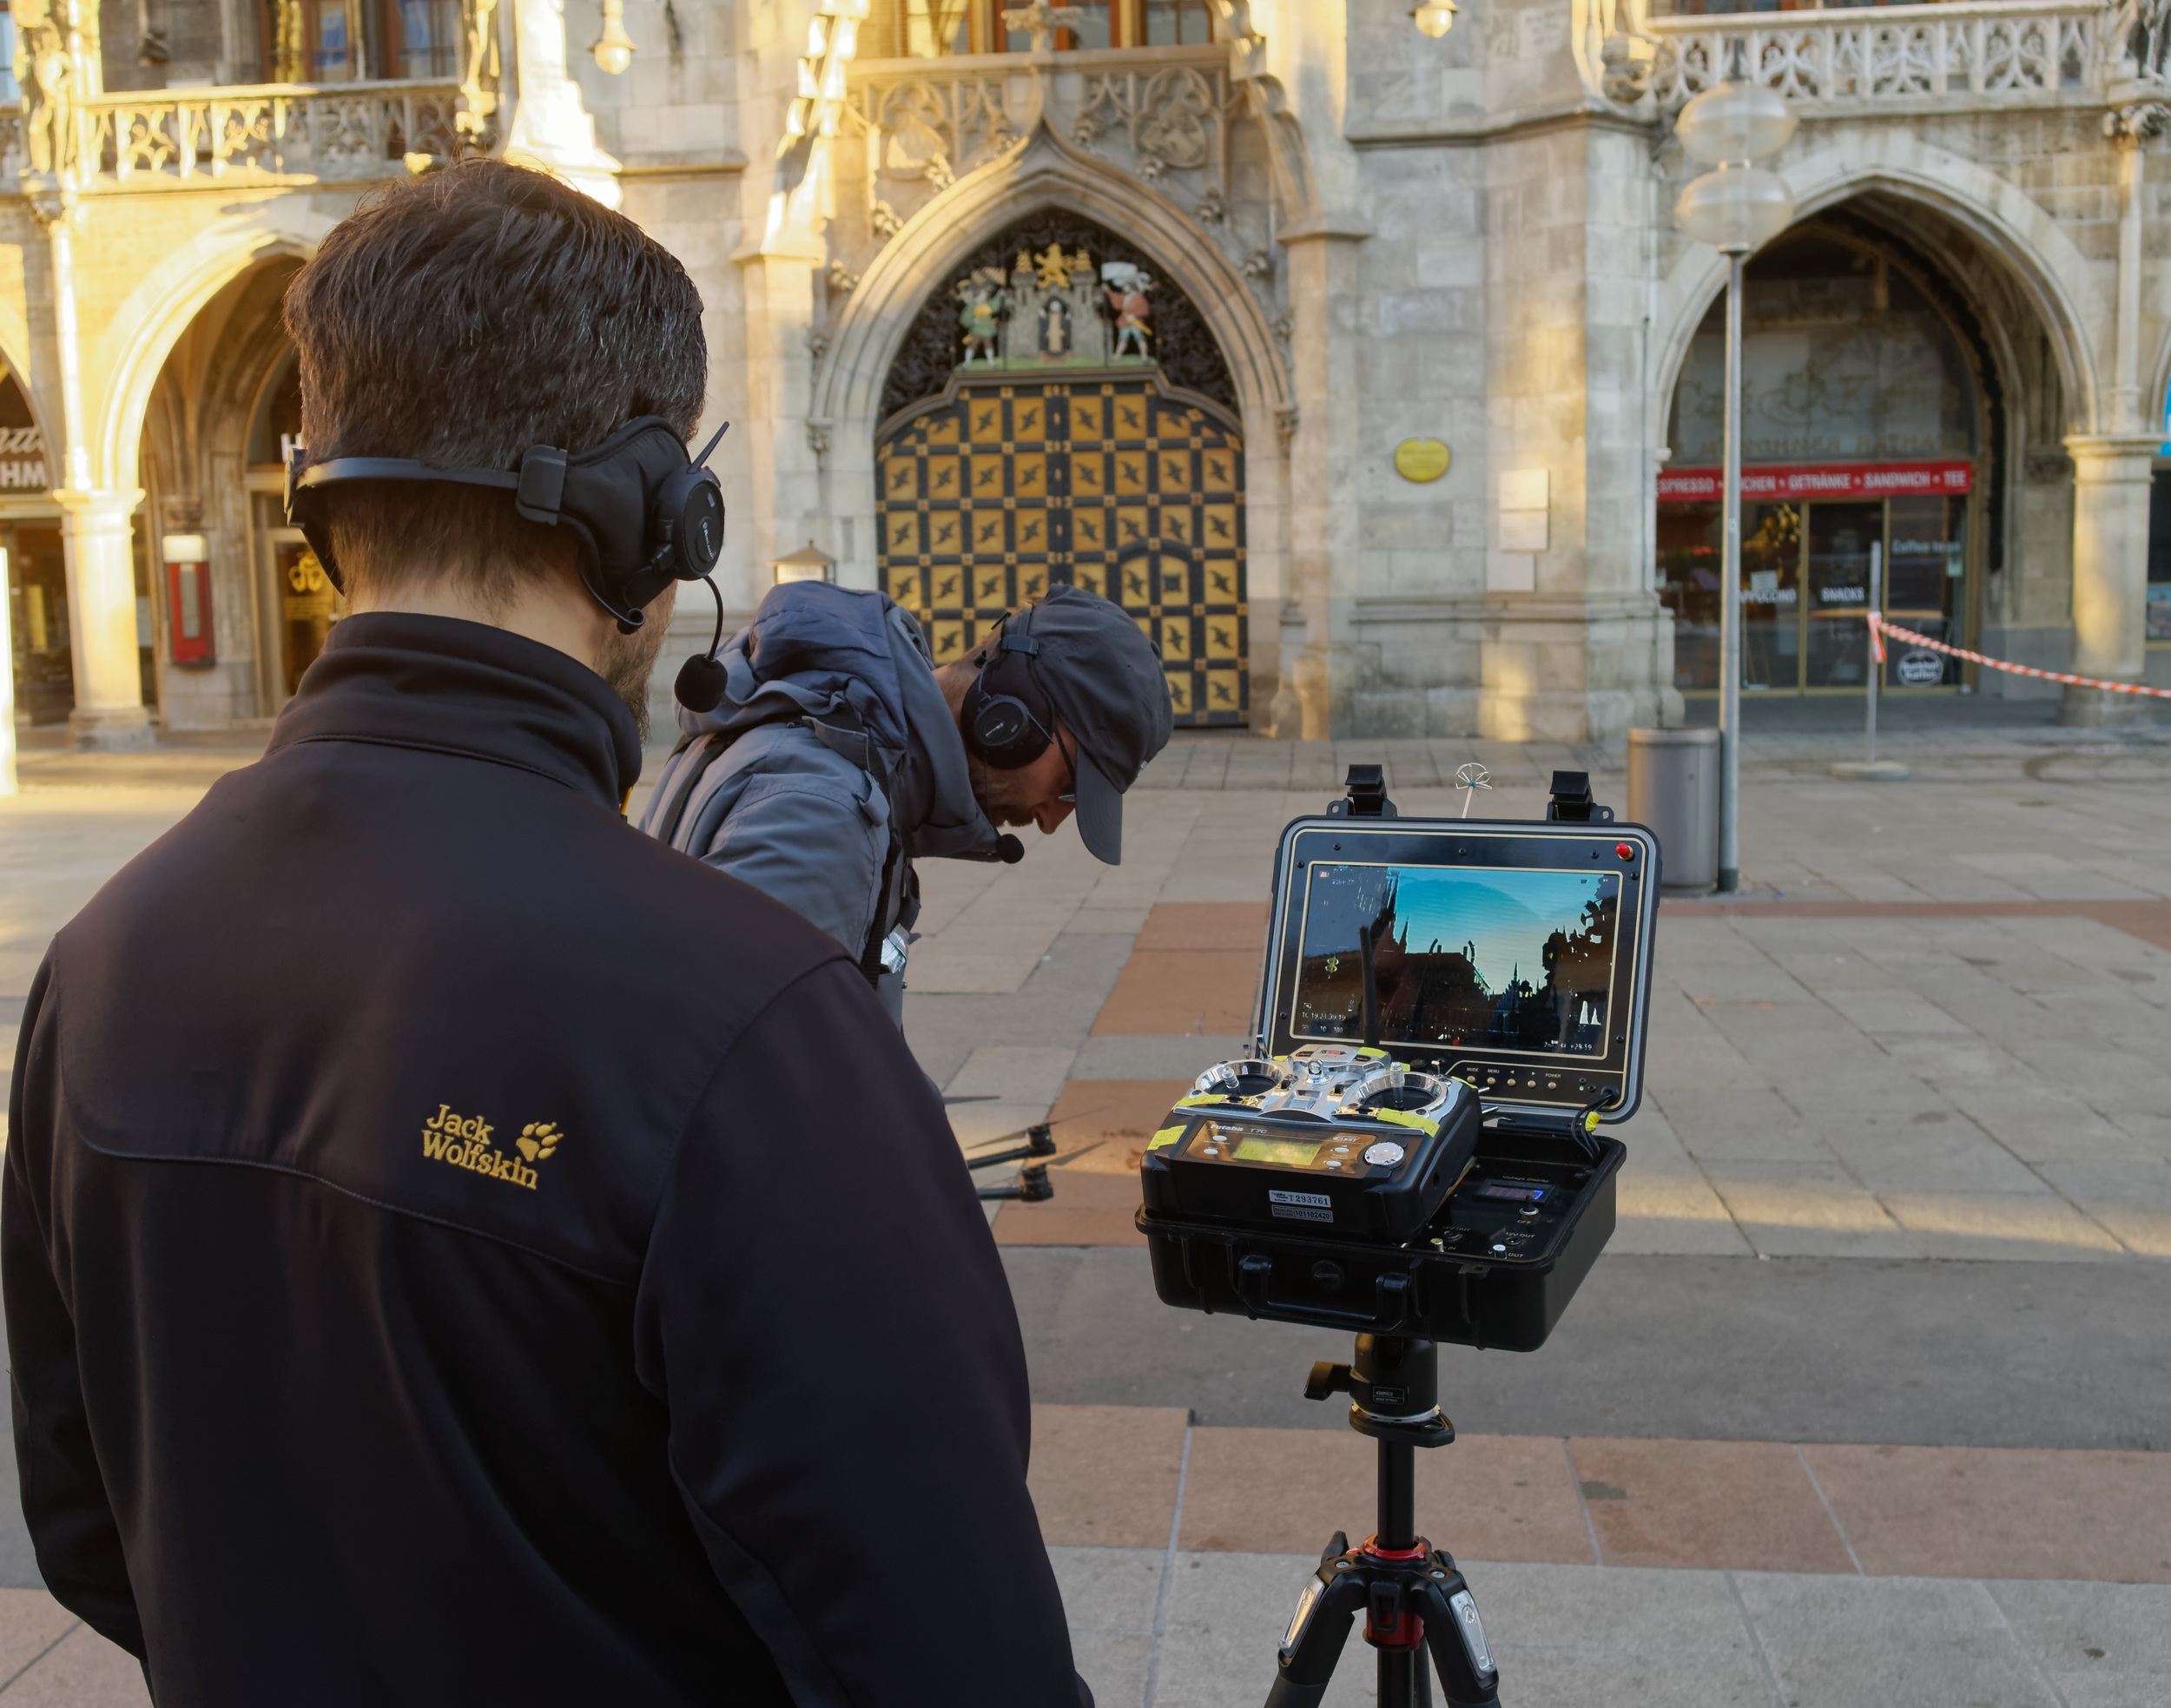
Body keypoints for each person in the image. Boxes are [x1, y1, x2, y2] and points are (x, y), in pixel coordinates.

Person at [3, 161, 1089, 1707]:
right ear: (659, 520)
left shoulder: (104, 959)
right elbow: (951, 1652)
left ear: (321, 508)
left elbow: (92, 1531)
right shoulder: (754, 1025)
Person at [639, 579, 1173, 1022]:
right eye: (1069, 788)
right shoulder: (821, 810)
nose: (1053, 820)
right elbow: (742, 1075)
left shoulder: (850, 767)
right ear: (1009, 718)